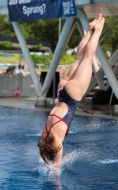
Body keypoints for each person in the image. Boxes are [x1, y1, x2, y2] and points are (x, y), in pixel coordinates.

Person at [38, 14, 105, 168]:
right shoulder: (43, 136)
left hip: (72, 96)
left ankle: (98, 29)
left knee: (88, 58)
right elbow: (44, 154)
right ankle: (90, 30)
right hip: (61, 91)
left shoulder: (56, 141)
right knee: (79, 57)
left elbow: (57, 167)